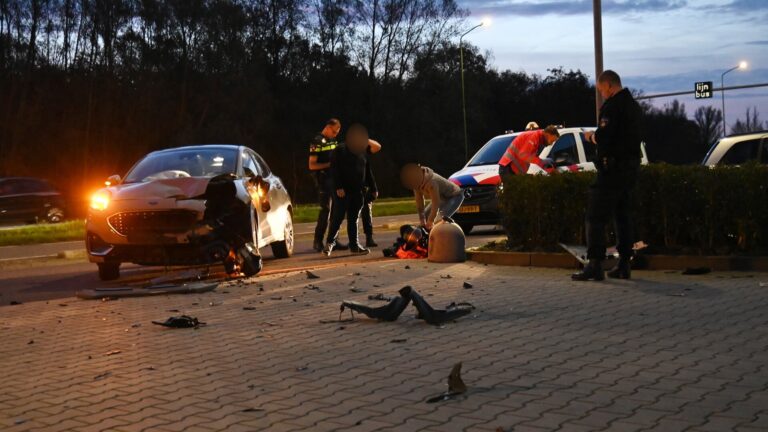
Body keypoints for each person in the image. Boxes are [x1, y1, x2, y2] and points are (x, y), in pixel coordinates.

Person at [572, 70, 643, 281]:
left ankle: (595, 264)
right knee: (623, 216)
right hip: (630, 168)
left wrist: (591, 136)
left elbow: (605, 136)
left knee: (594, 216)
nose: (602, 94)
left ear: (610, 85)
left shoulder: (614, 106)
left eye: (601, 90)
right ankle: (624, 264)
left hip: (612, 169)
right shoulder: (634, 107)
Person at [323, 124, 378, 256]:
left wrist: (374, 187)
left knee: (353, 219)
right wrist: (338, 186)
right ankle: (330, 243)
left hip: (358, 190)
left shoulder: (362, 151)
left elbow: (368, 170)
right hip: (343, 191)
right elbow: (334, 169)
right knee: (338, 217)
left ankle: (354, 245)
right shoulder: (340, 150)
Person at [309, 119, 347, 252]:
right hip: (323, 180)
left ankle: (333, 240)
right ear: (328, 127)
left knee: (336, 212)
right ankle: (318, 241)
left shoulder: (333, 141)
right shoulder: (317, 141)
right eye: (334, 131)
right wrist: (329, 165)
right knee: (325, 210)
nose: (335, 135)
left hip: (334, 179)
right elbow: (312, 164)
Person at [400, 164, 464, 231]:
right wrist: (422, 220)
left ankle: (444, 235)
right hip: (442, 198)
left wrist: (431, 220)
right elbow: (419, 202)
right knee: (426, 214)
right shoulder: (415, 184)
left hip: (455, 196)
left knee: (442, 217)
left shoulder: (432, 182)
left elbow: (436, 202)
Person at [360, 139, 382, 247]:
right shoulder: (345, 151)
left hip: (363, 187)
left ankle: (369, 237)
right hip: (350, 188)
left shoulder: (363, 152)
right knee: (349, 215)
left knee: (366, 212)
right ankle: (351, 241)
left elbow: (377, 147)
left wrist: (374, 188)